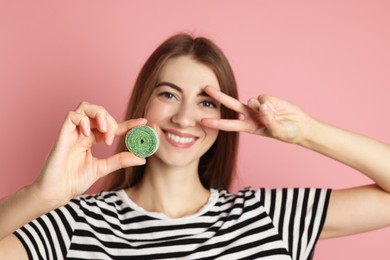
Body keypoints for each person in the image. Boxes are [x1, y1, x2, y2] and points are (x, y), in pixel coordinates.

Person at [0, 33, 389, 260]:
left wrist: (304, 131)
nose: (185, 118)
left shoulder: (267, 216)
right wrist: (41, 194)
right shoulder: (75, 224)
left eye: (206, 102)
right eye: (169, 95)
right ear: (144, 105)